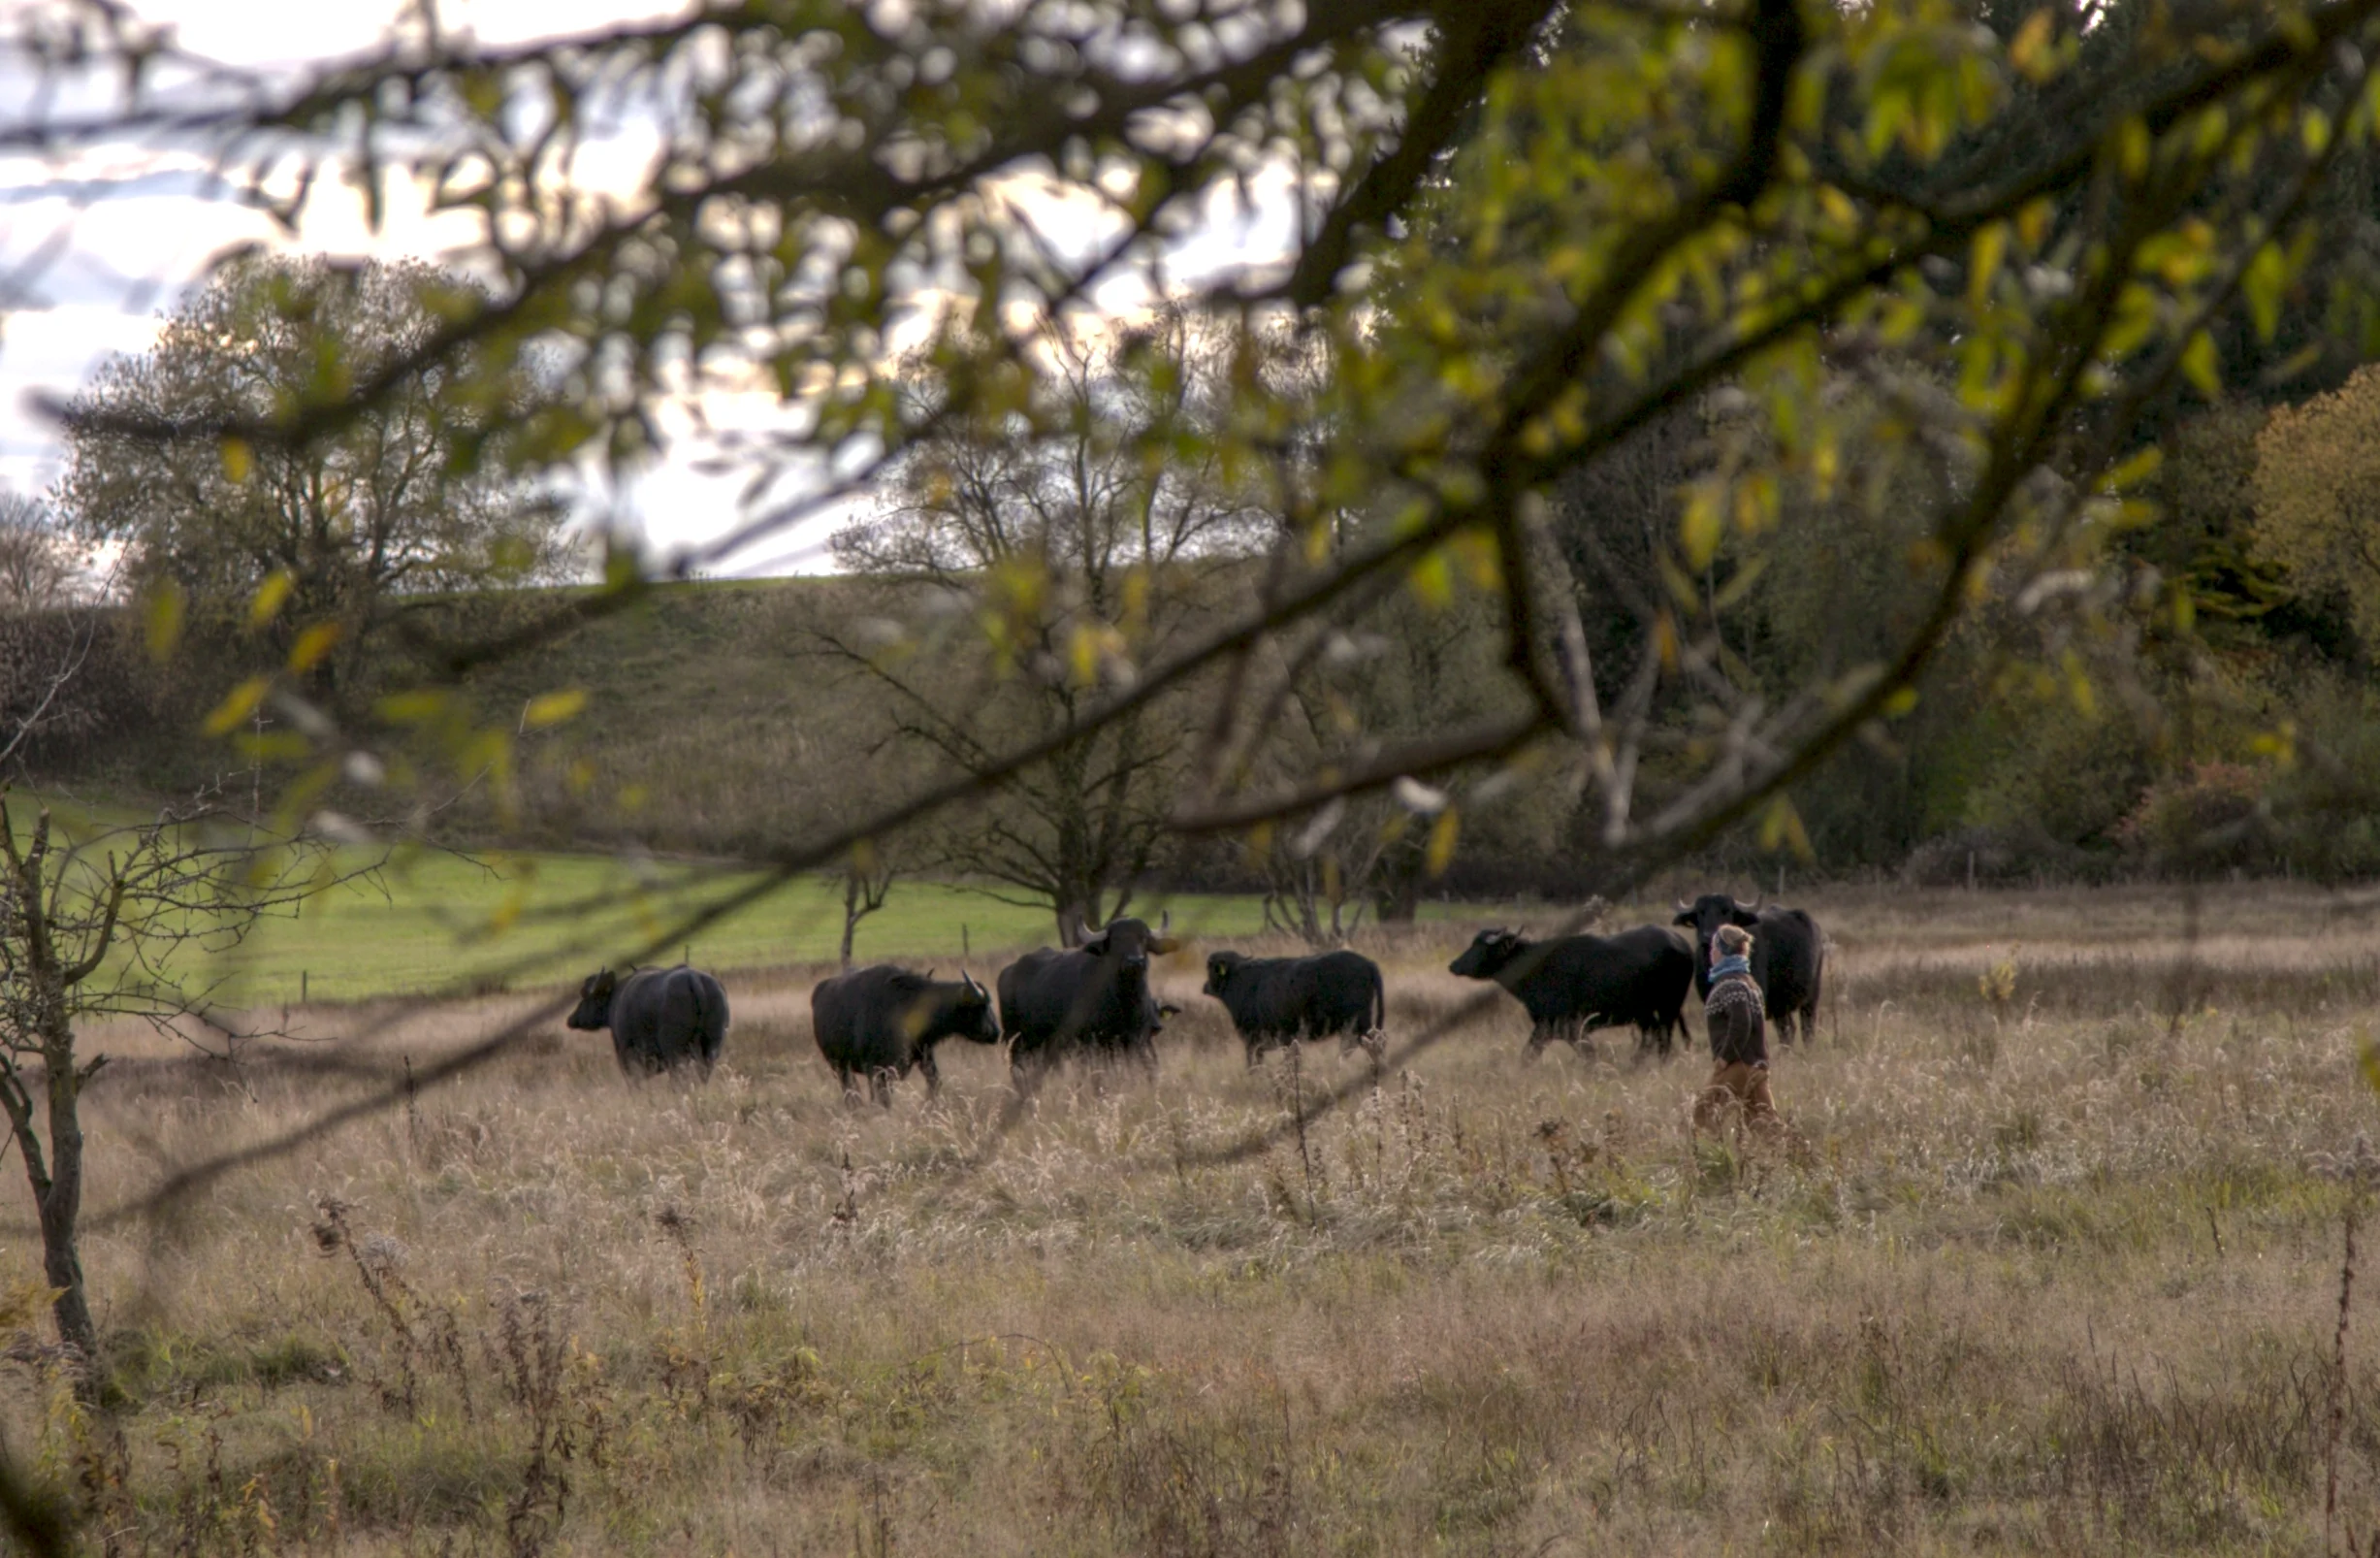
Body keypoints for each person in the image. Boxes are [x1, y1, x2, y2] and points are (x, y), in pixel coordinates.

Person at [1694, 923, 1780, 1135]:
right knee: (1765, 1125)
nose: (1711, 952)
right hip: (1758, 1064)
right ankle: (1801, 1159)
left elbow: (1741, 1023)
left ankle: (1714, 1160)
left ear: (1722, 951)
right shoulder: (1749, 982)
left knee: (1703, 1115)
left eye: (1714, 947)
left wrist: (1724, 1058)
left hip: (1737, 1065)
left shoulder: (1729, 984)